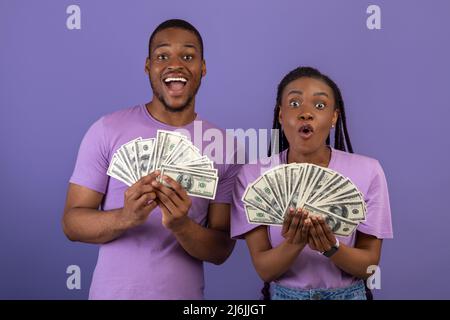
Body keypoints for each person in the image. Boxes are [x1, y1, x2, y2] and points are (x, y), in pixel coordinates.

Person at [62, 19, 240, 299]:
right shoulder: (106, 129)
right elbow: (72, 224)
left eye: (188, 56)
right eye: (162, 56)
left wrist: (181, 225)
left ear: (202, 68)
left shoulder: (224, 146)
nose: (175, 64)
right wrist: (126, 217)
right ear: (148, 66)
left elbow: (221, 250)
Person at [231, 66, 393, 300]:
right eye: (295, 104)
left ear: (334, 117)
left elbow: (368, 266)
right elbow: (265, 270)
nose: (306, 113)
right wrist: (295, 243)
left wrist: (332, 248)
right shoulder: (252, 175)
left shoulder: (369, 171)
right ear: (280, 114)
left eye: (319, 105)